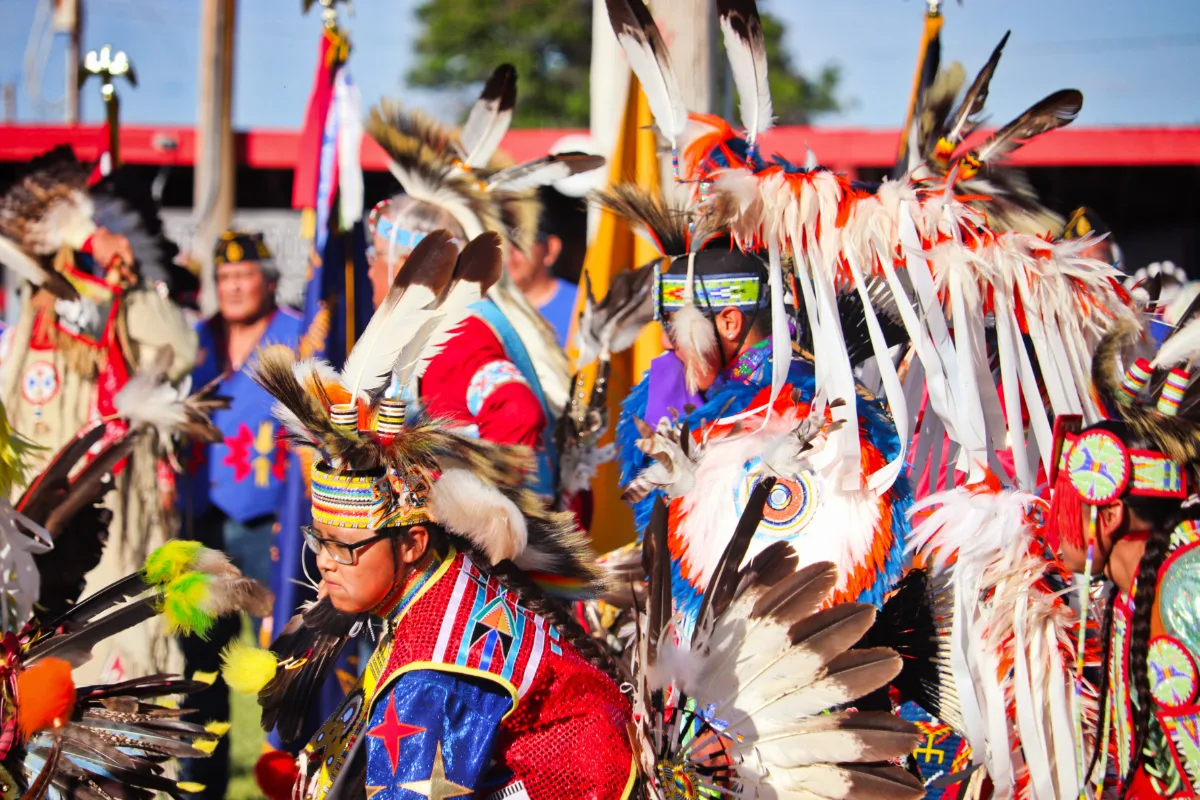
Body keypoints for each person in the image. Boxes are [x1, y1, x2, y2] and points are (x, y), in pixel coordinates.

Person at [231, 230, 635, 800]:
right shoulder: (444, 585)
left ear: (414, 543)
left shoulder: (432, 668)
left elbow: (515, 411)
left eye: (346, 546)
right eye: (319, 541)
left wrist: (476, 480)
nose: (325, 564)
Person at [0, 150, 197, 688]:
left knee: (109, 644)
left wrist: (125, 283)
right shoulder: (17, 336)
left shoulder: (117, 311)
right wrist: (88, 237)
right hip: (24, 515)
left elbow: (180, 350)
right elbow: (12, 220)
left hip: (104, 508)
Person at [362, 81, 602, 497]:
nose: (368, 271)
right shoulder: (447, 326)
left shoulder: (455, 334)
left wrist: (480, 516)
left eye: (375, 255)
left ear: (404, 266)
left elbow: (518, 413)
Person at [177, 230, 302, 800]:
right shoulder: (196, 340)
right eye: (224, 279)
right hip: (205, 524)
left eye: (244, 275)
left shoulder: (297, 333)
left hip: (274, 527)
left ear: (268, 280)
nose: (232, 286)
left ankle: (298, 778)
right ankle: (199, 782)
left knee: (288, 662)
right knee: (202, 666)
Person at [505, 212, 576, 348]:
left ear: (550, 249)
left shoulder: (583, 307)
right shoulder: (478, 311)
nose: (507, 250)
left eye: (519, 239)